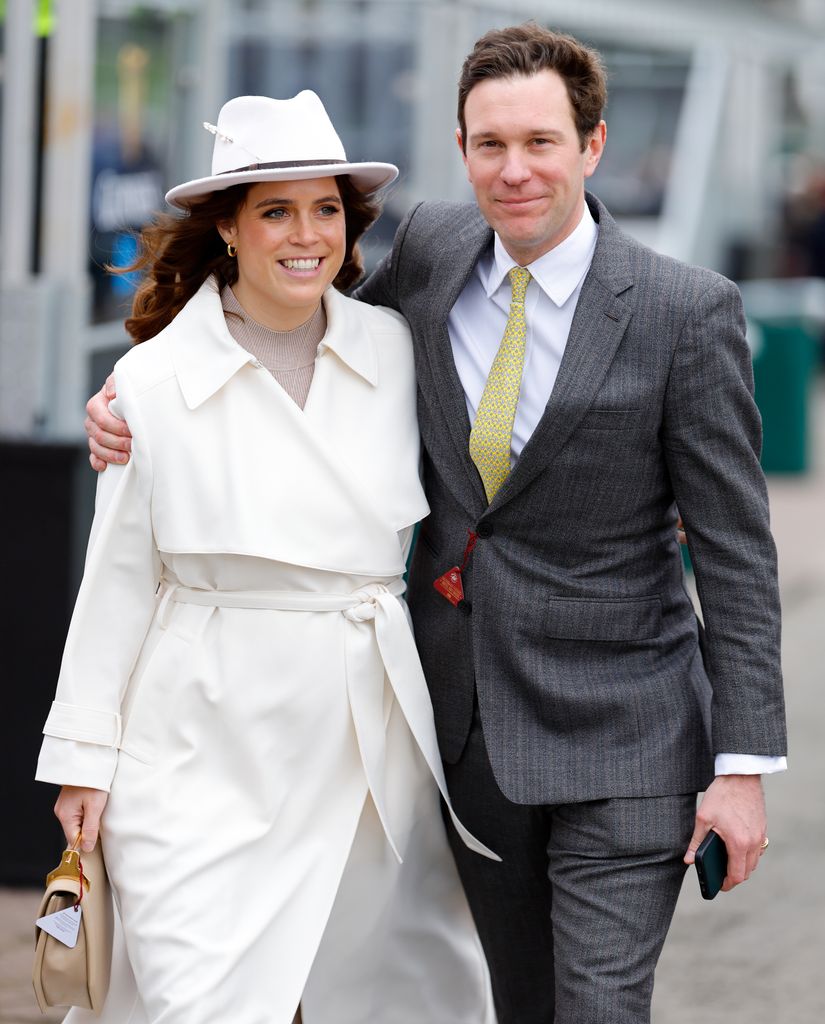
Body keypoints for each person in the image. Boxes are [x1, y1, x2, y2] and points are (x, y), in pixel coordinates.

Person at [85, 24, 788, 1024]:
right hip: (468, 741)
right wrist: (132, 394)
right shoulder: (428, 252)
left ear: (591, 147)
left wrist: (742, 768)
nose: (514, 171)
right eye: (489, 145)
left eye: (541, 142)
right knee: (521, 1002)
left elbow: (737, 552)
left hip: (630, 736)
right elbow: (291, 343)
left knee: (598, 1006)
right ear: (461, 149)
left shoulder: (687, 313)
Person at [37, 91, 498, 1024]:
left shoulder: (398, 349)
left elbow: (492, 471)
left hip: (362, 735)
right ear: (230, 231)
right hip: (196, 741)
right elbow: (117, 578)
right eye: (276, 210)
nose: (306, 234)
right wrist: (83, 762)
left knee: (387, 994)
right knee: (195, 996)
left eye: (325, 208)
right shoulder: (151, 381)